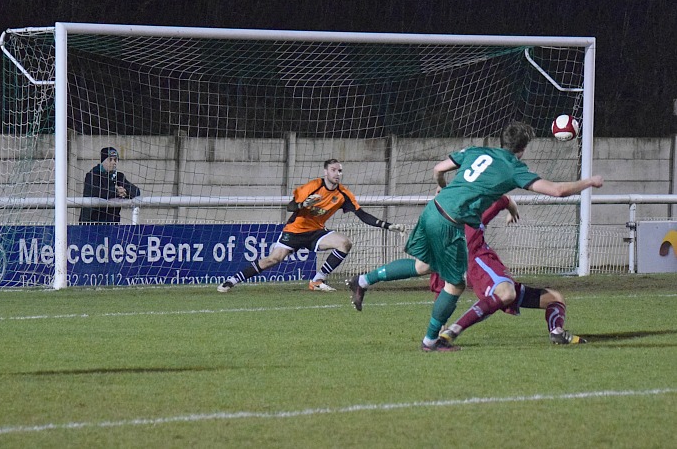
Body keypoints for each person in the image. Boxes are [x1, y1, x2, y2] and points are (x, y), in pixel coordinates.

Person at [345, 121, 603, 352]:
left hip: (433, 209)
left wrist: (445, 188)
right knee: (455, 284)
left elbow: (438, 169)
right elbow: (557, 191)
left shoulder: (477, 150)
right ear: (522, 149)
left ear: (502, 141)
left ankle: (363, 280)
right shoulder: (514, 167)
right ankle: (431, 342)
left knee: (424, 265)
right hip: (450, 221)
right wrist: (589, 181)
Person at [217, 158, 406, 293]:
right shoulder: (312, 187)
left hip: (316, 232)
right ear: (326, 172)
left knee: (345, 243)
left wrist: (387, 226)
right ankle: (232, 280)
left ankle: (317, 280)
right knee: (272, 260)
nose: (337, 173)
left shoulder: (343, 194)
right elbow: (291, 206)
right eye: (334, 170)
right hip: (295, 230)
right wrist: (304, 205)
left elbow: (362, 215)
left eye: (340, 170)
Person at [430, 194, 586, 346]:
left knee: (555, 298)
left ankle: (556, 332)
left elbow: (441, 285)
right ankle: (453, 331)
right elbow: (505, 199)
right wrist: (512, 211)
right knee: (506, 293)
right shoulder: (469, 220)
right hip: (483, 266)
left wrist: (439, 321)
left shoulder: (442, 234)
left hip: (486, 271)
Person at [79, 147, 141, 224]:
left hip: (112, 222)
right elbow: (97, 192)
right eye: (110, 160)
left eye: (115, 160)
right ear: (103, 161)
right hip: (92, 222)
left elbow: (136, 191)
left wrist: (126, 191)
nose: (113, 162)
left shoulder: (119, 176)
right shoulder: (92, 175)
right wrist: (116, 192)